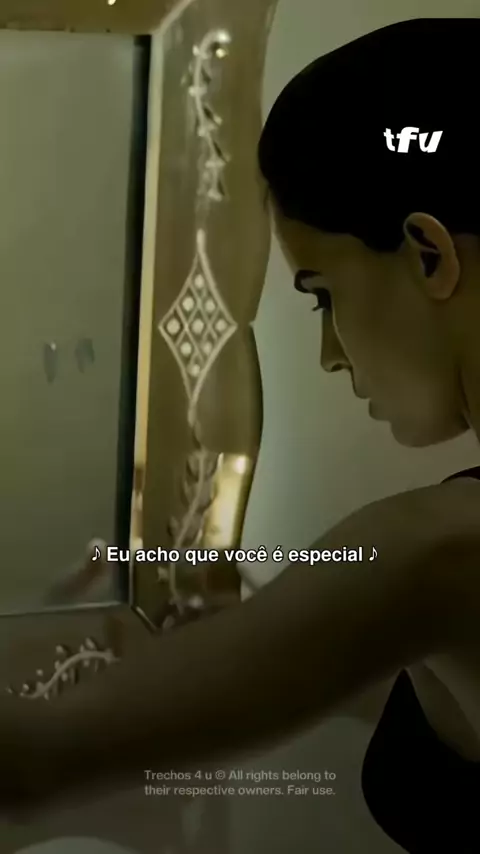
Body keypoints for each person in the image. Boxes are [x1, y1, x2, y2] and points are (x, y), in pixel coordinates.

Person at [3, 16, 480, 852]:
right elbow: (410, 672)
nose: (331, 354)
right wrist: (248, 637)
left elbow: (30, 762)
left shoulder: (439, 551)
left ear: (428, 253)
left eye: (321, 294)